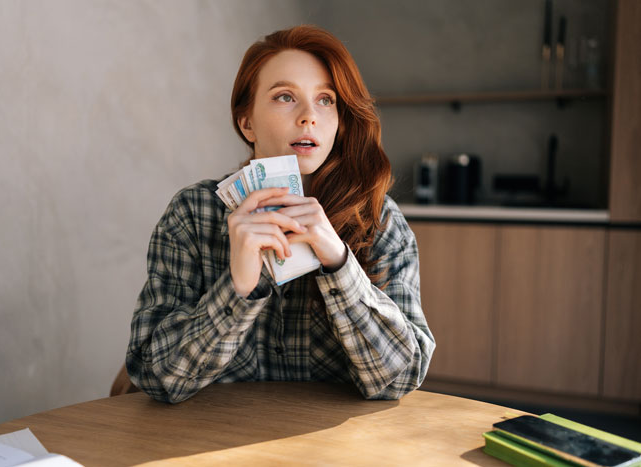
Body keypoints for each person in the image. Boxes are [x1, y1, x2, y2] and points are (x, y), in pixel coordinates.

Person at [126, 25, 435, 403]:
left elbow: (401, 379)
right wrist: (239, 289)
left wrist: (338, 263)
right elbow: (155, 378)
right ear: (247, 122)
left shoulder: (379, 219)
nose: (309, 116)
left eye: (326, 100)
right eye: (285, 97)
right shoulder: (192, 214)